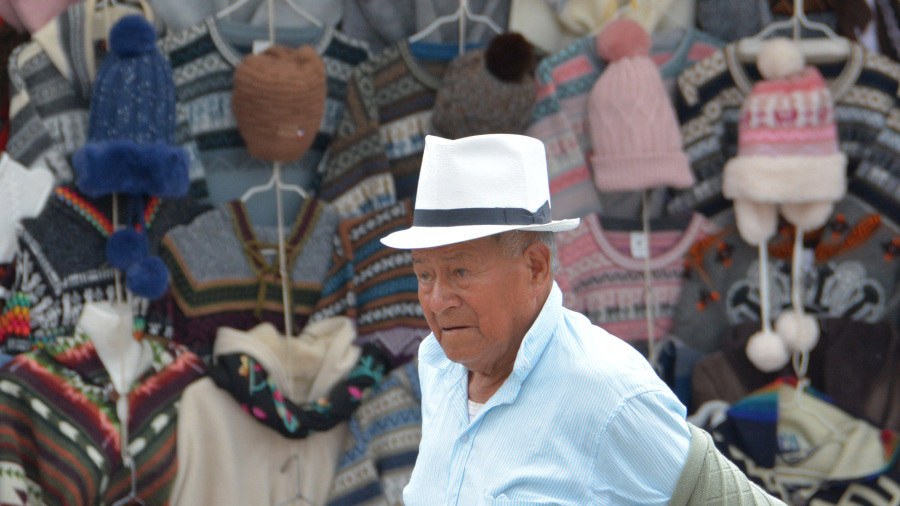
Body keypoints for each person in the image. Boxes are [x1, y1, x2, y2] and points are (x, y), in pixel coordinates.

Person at [381, 134, 785, 505]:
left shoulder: (609, 391)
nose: (437, 301)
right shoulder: (439, 367)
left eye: (460, 271)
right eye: (424, 275)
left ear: (536, 267)